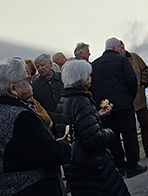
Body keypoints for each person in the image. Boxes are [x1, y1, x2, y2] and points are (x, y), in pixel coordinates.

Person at [56, 59, 131, 195]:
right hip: (94, 168)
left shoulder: (64, 100)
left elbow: (77, 127)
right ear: (81, 78)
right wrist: (109, 132)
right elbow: (94, 139)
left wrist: (97, 115)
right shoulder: (81, 101)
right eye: (88, 76)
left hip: (78, 169)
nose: (90, 78)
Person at [0, 57, 70, 195]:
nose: (31, 82)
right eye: (26, 79)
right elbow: (50, 156)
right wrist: (64, 146)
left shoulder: (5, 109)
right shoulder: (21, 117)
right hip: (34, 187)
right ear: (13, 89)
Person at [90, 37, 147, 178]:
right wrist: (130, 97)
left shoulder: (94, 65)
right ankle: (132, 165)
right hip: (124, 105)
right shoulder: (122, 60)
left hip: (106, 109)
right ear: (115, 48)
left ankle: (120, 166)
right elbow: (131, 80)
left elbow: (92, 86)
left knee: (113, 138)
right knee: (129, 135)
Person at [119, 40, 148, 159]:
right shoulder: (116, 62)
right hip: (125, 99)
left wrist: (144, 83)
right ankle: (135, 153)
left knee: (145, 124)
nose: (122, 49)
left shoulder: (134, 57)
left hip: (139, 97)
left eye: (123, 46)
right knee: (130, 129)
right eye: (120, 48)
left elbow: (145, 69)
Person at [32, 53, 64, 132]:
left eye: (42, 65)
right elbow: (38, 107)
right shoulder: (35, 86)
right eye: (38, 67)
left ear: (50, 64)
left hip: (67, 120)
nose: (40, 69)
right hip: (50, 125)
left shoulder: (62, 78)